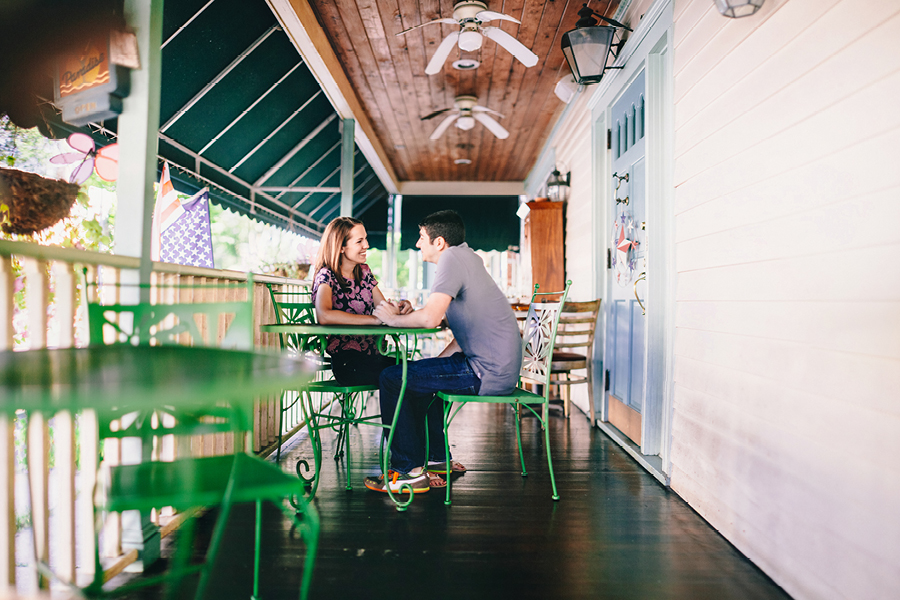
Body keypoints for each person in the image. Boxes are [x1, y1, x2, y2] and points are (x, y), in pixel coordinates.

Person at [364, 210, 523, 494]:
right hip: (496, 368)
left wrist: (393, 320)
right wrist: (414, 315)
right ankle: (437, 459)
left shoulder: (452, 259)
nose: (417, 244)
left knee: (391, 377)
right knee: (420, 378)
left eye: (422, 237)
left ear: (439, 242)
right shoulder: (468, 258)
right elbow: (453, 324)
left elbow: (430, 320)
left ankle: (407, 471)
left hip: (485, 371)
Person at [311, 216, 412, 386]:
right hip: (349, 364)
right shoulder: (326, 276)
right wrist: (375, 319)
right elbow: (324, 315)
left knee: (419, 373)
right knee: (412, 377)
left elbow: (383, 307)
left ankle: (400, 414)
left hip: (374, 358)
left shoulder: (364, 273)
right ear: (341, 247)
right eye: (359, 241)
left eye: (365, 239)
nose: (367, 245)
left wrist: (401, 306)